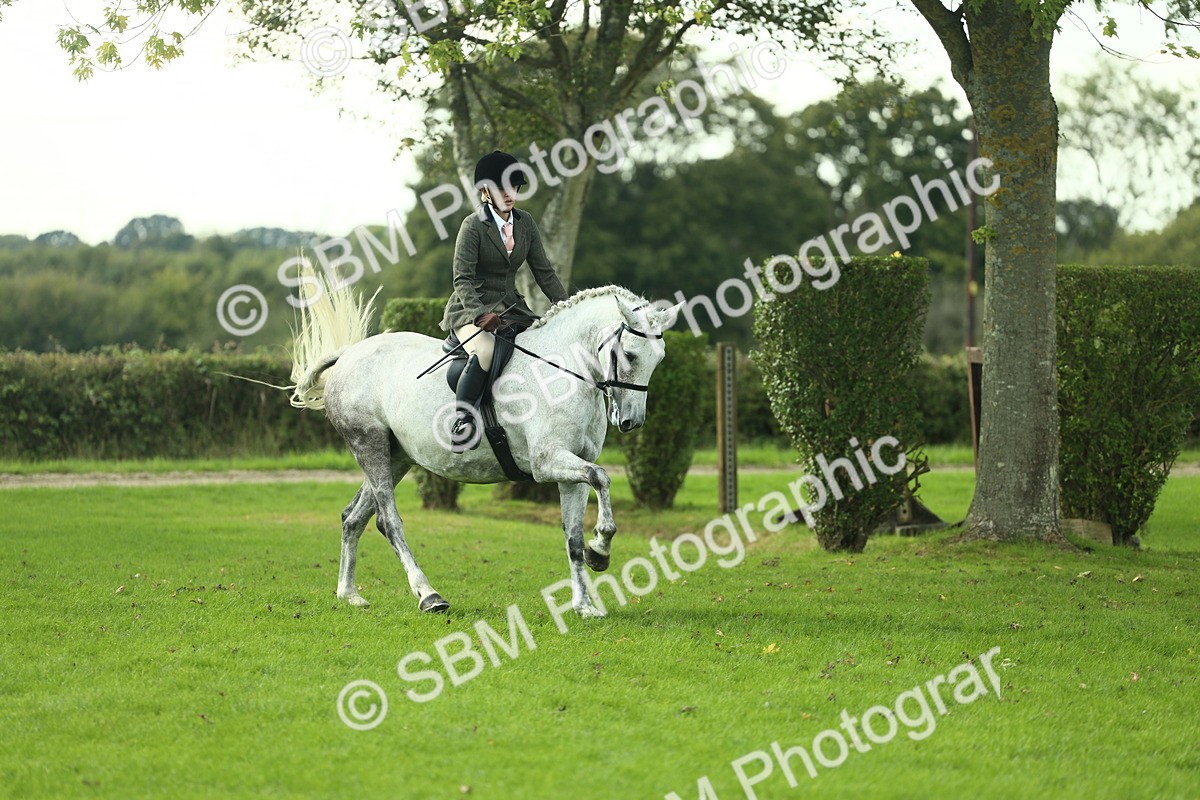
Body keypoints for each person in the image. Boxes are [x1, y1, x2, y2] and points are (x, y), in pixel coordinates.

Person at [439, 150, 570, 451]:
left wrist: (565, 306)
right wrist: (479, 314)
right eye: (501, 188)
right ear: (485, 190)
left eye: (513, 187)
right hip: (469, 310)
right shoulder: (473, 226)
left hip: (512, 308)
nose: (509, 193)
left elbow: (544, 272)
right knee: (485, 351)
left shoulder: (525, 223)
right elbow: (462, 279)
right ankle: (463, 422)